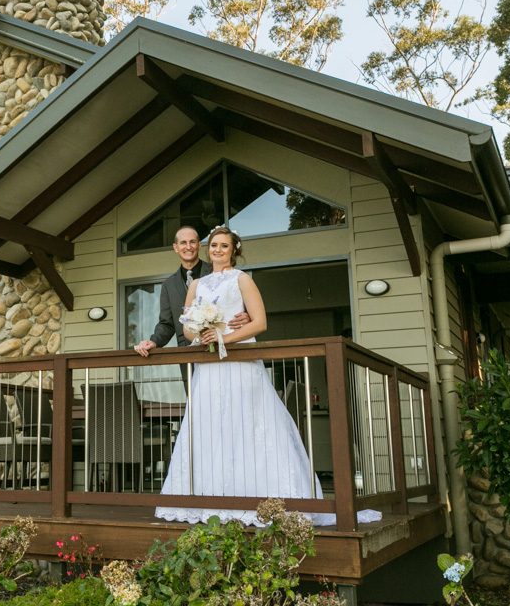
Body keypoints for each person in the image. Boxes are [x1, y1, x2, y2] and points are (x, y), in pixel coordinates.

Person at [148, 226, 382, 527]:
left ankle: (260, 498)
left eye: (224, 246)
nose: (218, 250)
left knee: (248, 423)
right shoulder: (197, 286)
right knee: (210, 427)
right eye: (214, 245)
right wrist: (201, 333)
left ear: (234, 249)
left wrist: (224, 337)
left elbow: (259, 322)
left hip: (240, 363)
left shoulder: (242, 279)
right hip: (207, 370)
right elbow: (187, 328)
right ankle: (210, 498)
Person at [133, 227, 249, 384]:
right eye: (183, 243)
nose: (188, 247)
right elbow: (166, 323)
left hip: (225, 349)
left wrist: (247, 315)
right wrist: (153, 341)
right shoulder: (168, 285)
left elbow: (235, 300)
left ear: (200, 245)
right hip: (188, 353)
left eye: (192, 242)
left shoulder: (219, 270)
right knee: (197, 404)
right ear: (176, 247)